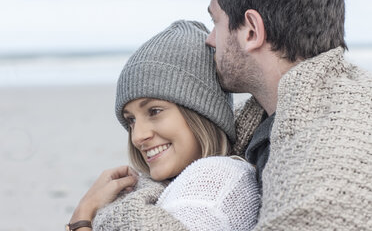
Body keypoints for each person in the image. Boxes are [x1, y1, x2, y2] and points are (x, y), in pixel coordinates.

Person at [204, 0, 372, 230]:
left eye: (215, 22)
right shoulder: (273, 120)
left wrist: (133, 210)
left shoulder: (328, 166)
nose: (209, 40)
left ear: (251, 31)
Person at [66, 20, 260, 231]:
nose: (137, 136)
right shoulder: (183, 184)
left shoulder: (213, 182)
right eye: (131, 120)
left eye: (155, 111)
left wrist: (82, 217)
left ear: (201, 112)